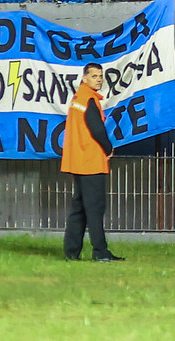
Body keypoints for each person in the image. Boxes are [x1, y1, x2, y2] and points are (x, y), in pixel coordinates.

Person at [62, 61, 123, 262]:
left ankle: (71, 253)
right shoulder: (89, 99)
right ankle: (100, 252)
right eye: (94, 76)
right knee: (95, 209)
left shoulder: (78, 98)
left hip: (78, 161)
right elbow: (97, 129)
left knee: (79, 208)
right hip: (91, 161)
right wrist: (108, 148)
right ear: (84, 78)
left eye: (100, 76)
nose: (98, 80)